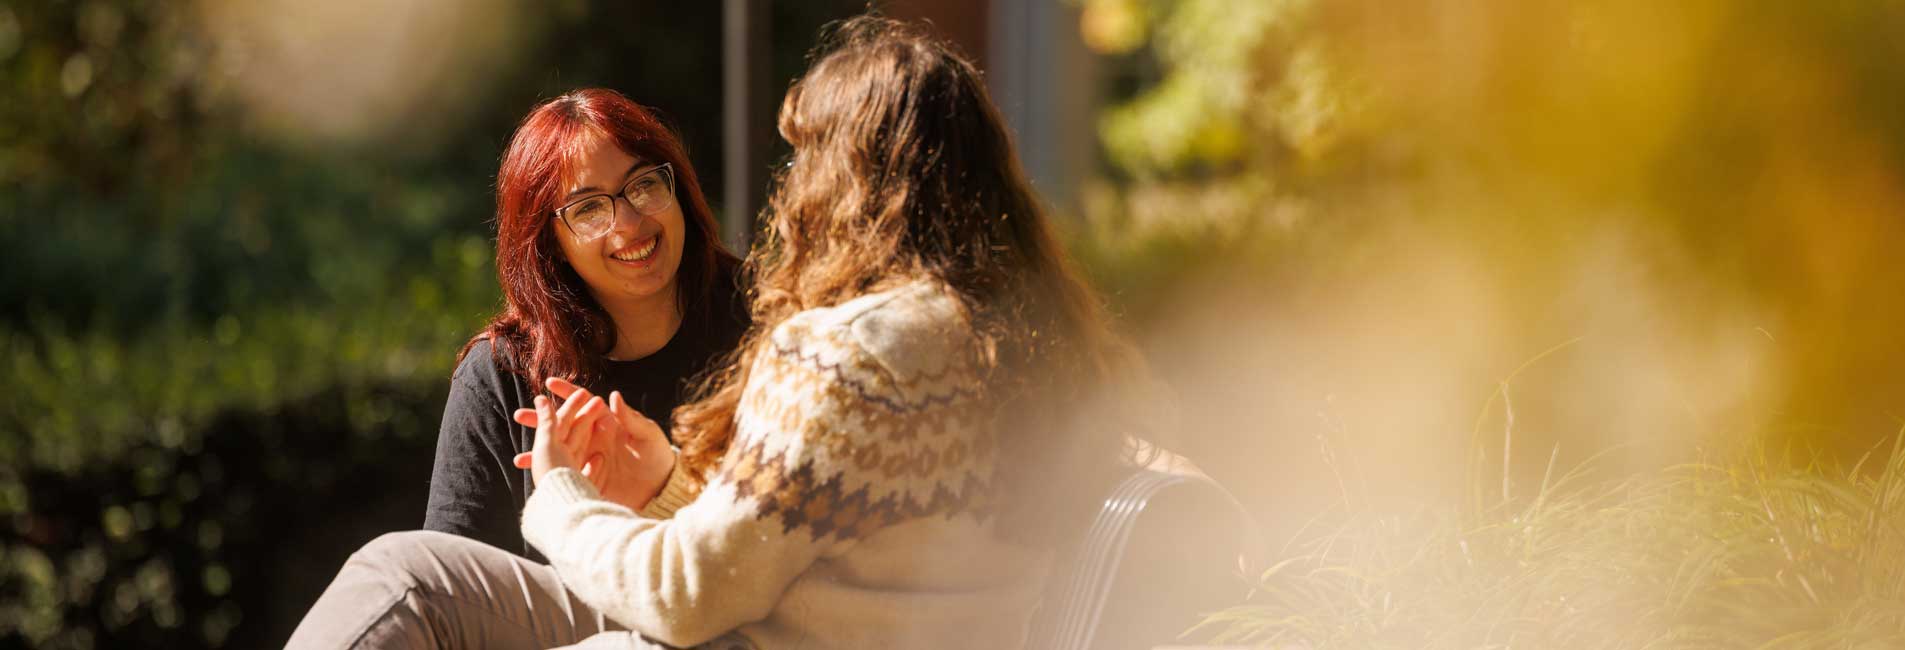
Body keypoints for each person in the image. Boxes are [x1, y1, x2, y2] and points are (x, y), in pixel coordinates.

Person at [287, 16, 1153, 649]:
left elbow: (694, 590)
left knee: (411, 584)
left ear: (850, 180)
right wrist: (667, 477)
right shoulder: (1028, 341)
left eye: (805, 157)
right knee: (408, 570)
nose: (794, 184)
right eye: (586, 207)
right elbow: (818, 525)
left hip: (728, 627)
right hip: (756, 613)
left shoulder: (833, 347)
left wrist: (559, 493)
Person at [422, 88, 750, 559]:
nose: (629, 224)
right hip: (556, 630)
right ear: (549, 244)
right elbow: (453, 583)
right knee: (399, 568)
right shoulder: (500, 375)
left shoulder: (770, 317)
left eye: (644, 185)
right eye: (589, 209)